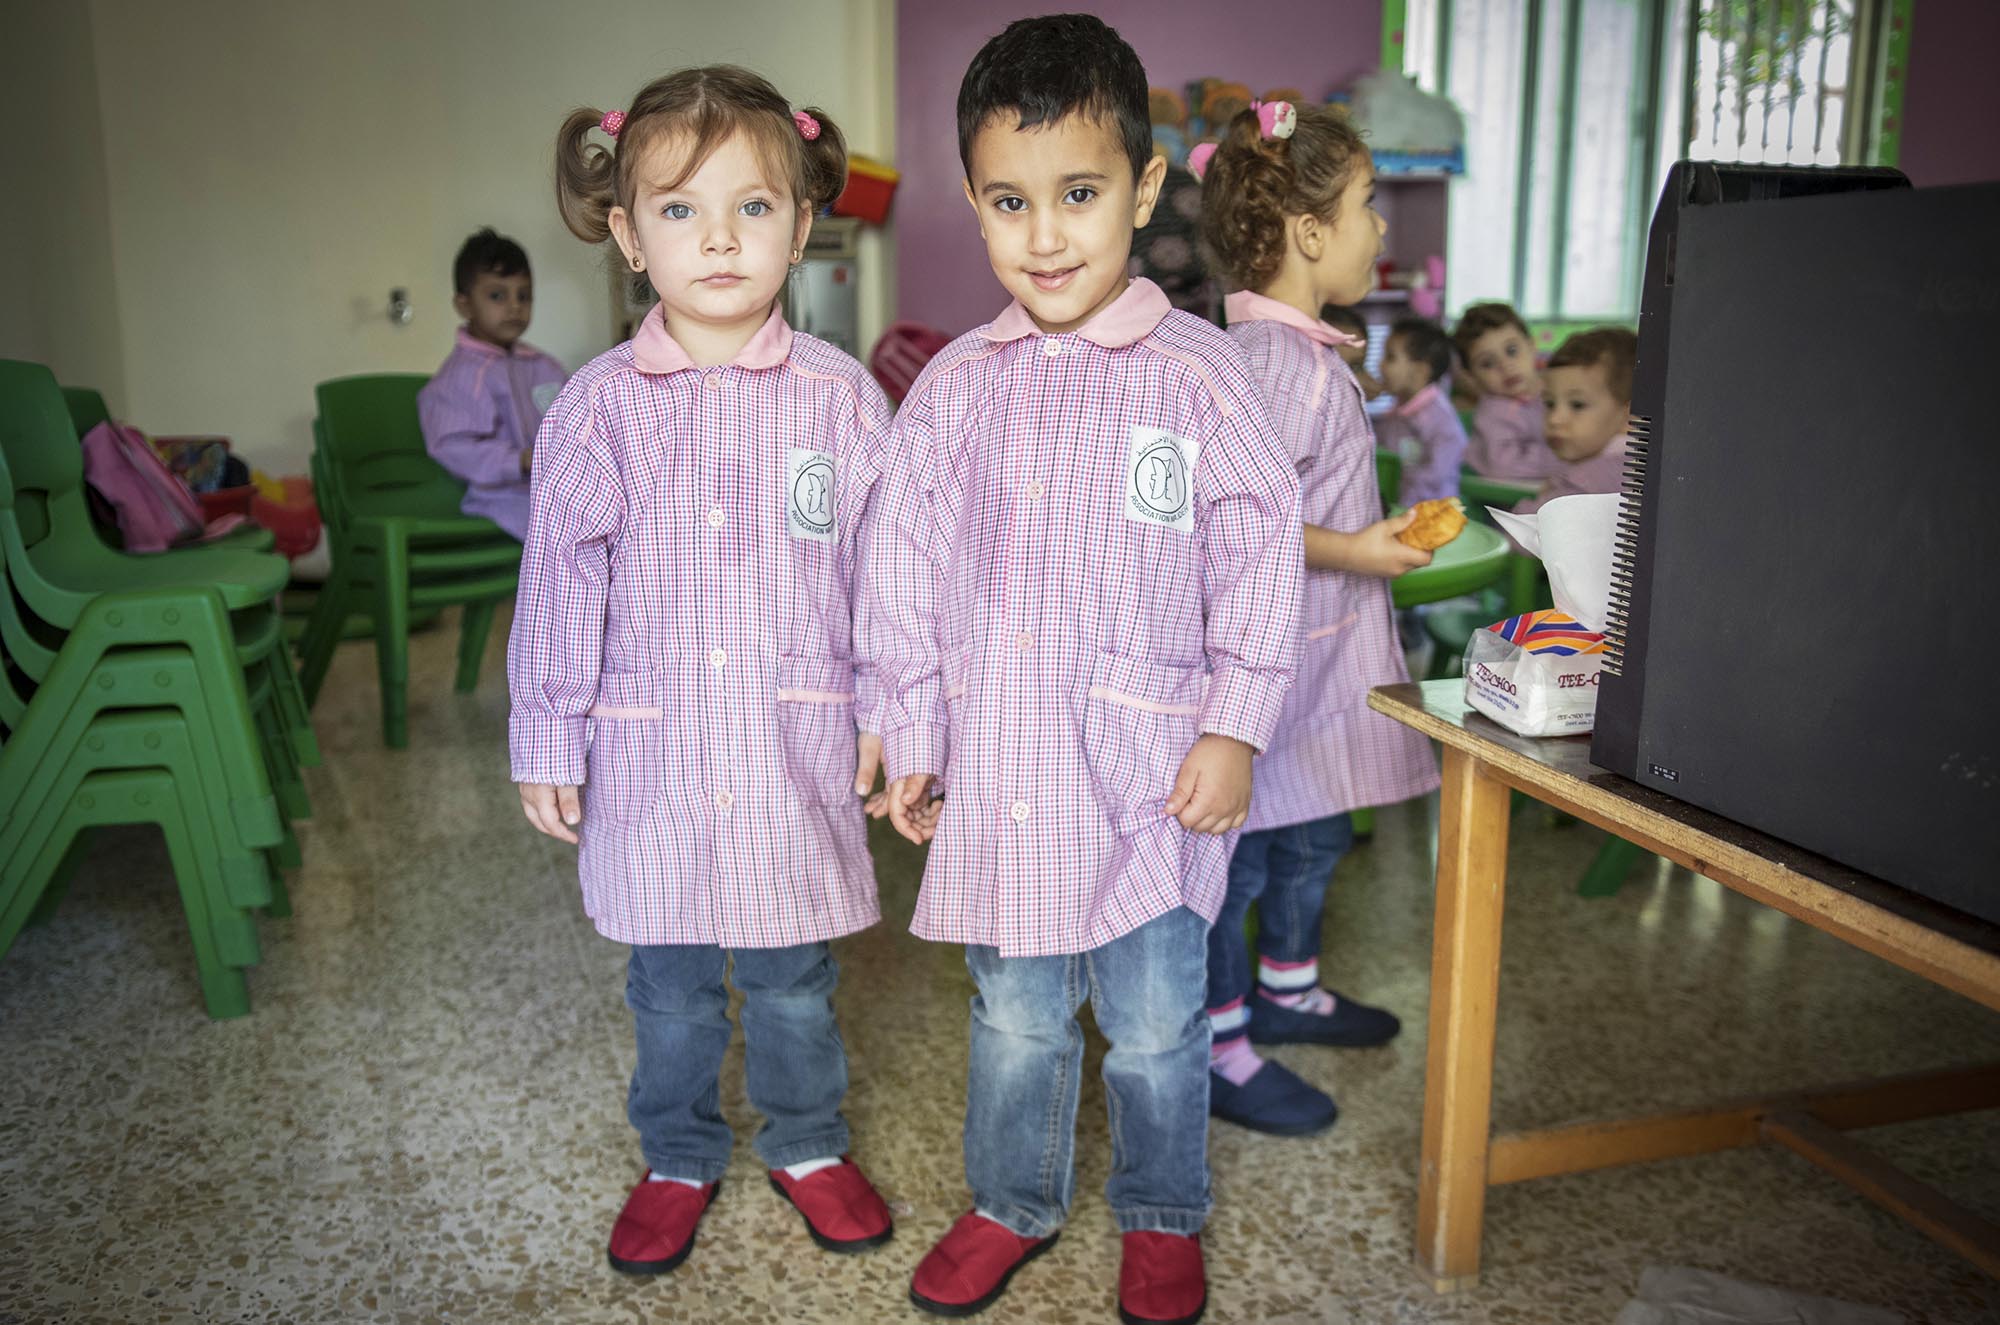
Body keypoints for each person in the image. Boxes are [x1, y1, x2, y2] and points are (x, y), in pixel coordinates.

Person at [860, 15, 1302, 1323]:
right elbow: (902, 569)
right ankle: (1013, 1199)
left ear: (1145, 191)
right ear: (975, 203)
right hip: (1003, 787)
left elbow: (1265, 545)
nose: (1044, 235)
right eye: (1010, 199)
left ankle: (1162, 1211)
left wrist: (1236, 722)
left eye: (1079, 194)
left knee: (1162, 1027)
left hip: (1154, 785)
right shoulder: (955, 388)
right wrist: (912, 728)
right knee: (1017, 1022)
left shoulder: (1201, 374)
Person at [509, 64, 895, 1280]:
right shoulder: (594, 411)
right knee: (668, 985)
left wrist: (896, 710)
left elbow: (891, 575)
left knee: (792, 977)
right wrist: (545, 735)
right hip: (655, 758)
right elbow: (560, 585)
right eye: (678, 209)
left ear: (802, 222)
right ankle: (675, 1152)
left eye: (752, 207)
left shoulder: (843, 399)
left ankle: (807, 1139)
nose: (718, 238)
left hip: (794, 754)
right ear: (626, 235)